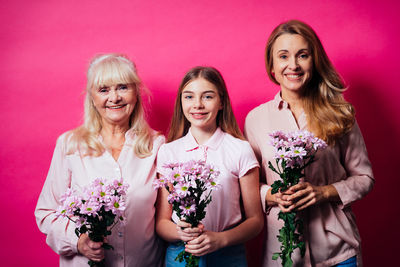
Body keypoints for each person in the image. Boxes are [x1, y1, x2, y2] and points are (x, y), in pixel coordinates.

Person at [245, 20, 375, 267]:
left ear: (314, 61)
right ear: (272, 66)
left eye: (302, 55)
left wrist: (323, 192)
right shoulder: (255, 120)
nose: (293, 65)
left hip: (338, 251)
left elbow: (365, 177)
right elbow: (248, 186)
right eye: (283, 56)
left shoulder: (340, 112)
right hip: (283, 254)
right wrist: (272, 195)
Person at [35, 54, 165, 266]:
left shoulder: (157, 145)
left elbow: (165, 218)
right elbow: (46, 212)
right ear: (92, 97)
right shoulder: (70, 145)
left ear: (136, 93)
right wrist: (78, 241)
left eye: (123, 87)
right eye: (104, 90)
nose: (114, 98)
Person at [155, 66, 263, 266]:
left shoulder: (240, 149)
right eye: (189, 97)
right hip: (181, 254)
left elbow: (256, 221)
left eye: (207, 97)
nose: (197, 105)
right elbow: (162, 223)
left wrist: (221, 239)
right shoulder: (168, 152)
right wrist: (181, 231)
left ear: (221, 102)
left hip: (228, 254)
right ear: (181, 102)